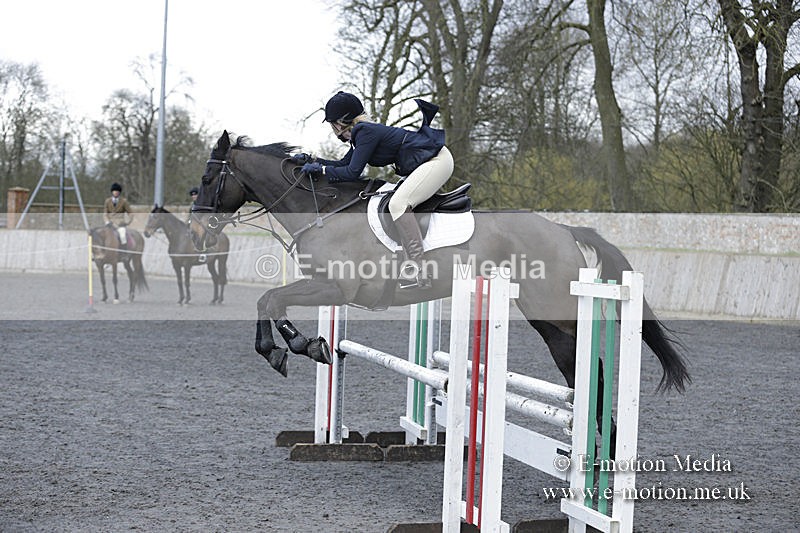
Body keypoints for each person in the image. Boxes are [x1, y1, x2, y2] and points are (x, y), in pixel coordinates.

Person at [297, 91, 454, 289]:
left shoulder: (364, 131)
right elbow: (343, 164)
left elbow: (352, 172)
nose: (333, 129)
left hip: (438, 160)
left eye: (332, 124)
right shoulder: (360, 134)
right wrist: (313, 161)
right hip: (430, 160)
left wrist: (322, 170)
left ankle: (418, 268)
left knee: (398, 204)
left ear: (339, 122)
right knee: (396, 201)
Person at [103, 182, 132, 248]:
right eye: (114, 191)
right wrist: (107, 221)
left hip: (120, 224)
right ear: (112, 192)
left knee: (122, 236)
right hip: (110, 224)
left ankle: (124, 252)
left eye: (117, 191)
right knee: (102, 235)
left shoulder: (124, 201)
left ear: (119, 192)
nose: (116, 192)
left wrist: (127, 222)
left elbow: (130, 213)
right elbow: (105, 213)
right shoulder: (107, 201)